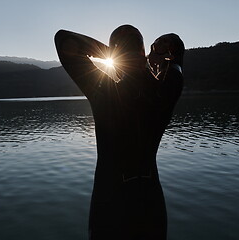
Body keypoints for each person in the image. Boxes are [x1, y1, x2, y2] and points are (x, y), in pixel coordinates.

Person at [54, 25, 184, 240]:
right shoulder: (168, 91)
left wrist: (113, 53)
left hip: (110, 199)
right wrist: (160, 51)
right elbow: (178, 57)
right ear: (145, 52)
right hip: (150, 199)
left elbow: (63, 40)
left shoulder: (104, 91)